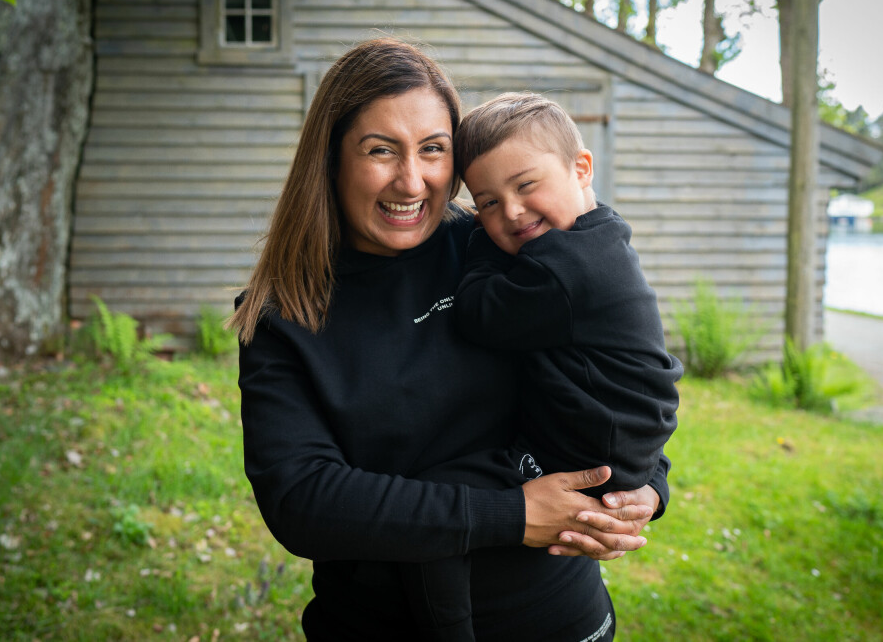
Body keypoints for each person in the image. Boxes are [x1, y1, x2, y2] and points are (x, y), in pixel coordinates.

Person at [228, 37, 670, 641]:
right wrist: (511, 515)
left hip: (554, 615)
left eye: (433, 150)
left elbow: (610, 362)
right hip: (380, 623)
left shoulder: (494, 246)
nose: (412, 182)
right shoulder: (285, 313)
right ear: (330, 159)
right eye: (381, 150)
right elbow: (302, 501)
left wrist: (643, 485)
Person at [404, 92, 682, 640]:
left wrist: (480, 243)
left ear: (581, 168)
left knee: (443, 493)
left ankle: (449, 630)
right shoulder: (600, 238)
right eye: (485, 203)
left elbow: (479, 314)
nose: (510, 212)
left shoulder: (563, 270)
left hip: (585, 456)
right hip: (623, 441)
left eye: (526, 185)